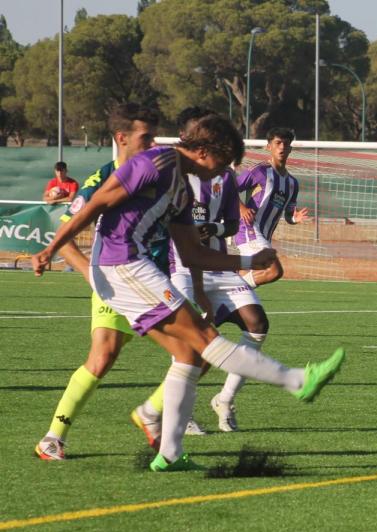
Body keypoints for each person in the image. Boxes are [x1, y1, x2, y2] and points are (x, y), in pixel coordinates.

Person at [32, 114, 346, 472]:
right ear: (202, 151)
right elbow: (97, 204)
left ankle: (169, 452)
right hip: (121, 265)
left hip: (138, 269)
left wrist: (247, 259)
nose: (220, 174)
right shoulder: (156, 162)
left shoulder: (182, 187)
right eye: (219, 165)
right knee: (201, 339)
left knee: (187, 355)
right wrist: (52, 248)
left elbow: (194, 252)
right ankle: (297, 381)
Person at [34, 103, 166, 461]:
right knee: (102, 357)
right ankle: (53, 437)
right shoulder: (100, 180)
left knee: (199, 349)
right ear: (122, 138)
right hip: (114, 281)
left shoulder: (159, 174)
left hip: (155, 280)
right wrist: (90, 274)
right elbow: (64, 231)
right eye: (146, 137)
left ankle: (155, 415)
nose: (153, 144)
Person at [134, 106, 267, 435]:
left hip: (218, 266)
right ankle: (177, 412)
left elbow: (234, 225)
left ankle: (225, 398)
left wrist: (214, 230)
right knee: (192, 342)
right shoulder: (172, 173)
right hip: (182, 266)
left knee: (258, 323)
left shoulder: (223, 173)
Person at [234, 127, 308, 288]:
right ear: (269, 147)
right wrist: (242, 208)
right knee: (274, 270)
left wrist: (295, 218)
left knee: (249, 276)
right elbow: (229, 190)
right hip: (248, 229)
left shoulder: (292, 183)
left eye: (286, 144)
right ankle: (232, 290)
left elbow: (289, 215)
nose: (282, 147)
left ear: (290, 149)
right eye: (278, 143)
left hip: (264, 235)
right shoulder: (259, 171)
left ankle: (222, 301)